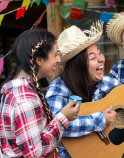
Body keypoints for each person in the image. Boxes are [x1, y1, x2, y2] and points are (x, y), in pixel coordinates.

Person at [0, 29, 80, 157]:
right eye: (55, 54)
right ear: (39, 60)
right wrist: (63, 118)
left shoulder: (17, 90)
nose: (58, 60)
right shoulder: (25, 100)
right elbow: (34, 153)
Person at [45, 22, 118, 157]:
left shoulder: (106, 82)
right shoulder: (58, 89)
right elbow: (54, 126)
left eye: (100, 54)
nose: (101, 59)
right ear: (79, 66)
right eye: (93, 58)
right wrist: (100, 120)